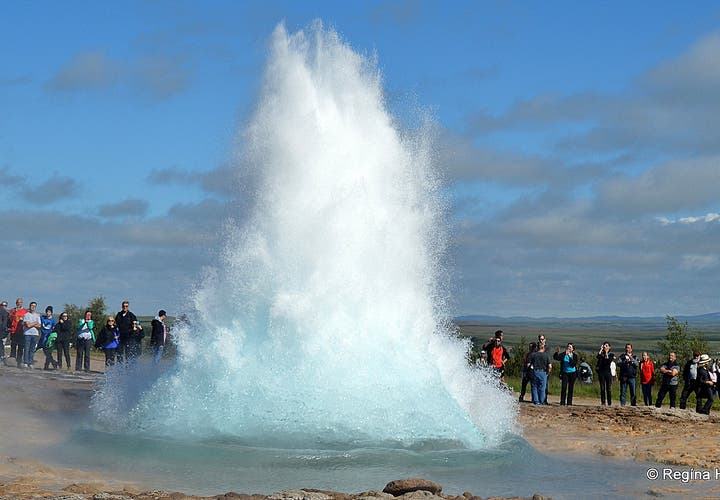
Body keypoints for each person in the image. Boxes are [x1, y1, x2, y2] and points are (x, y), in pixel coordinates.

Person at [22, 301, 42, 369]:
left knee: (32, 349)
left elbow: (39, 325)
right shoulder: (26, 315)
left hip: (35, 334)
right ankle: (25, 362)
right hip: (27, 334)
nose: (33, 307)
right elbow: (28, 325)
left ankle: (30, 362)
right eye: (32, 306)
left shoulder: (37, 315)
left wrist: (32, 324)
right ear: (30, 306)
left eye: (34, 306)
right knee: (27, 348)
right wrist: (35, 323)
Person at [8, 298, 27, 364]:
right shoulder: (12, 310)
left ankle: (19, 360)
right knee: (13, 345)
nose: (19, 303)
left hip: (21, 331)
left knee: (20, 346)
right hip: (13, 330)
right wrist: (14, 313)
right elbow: (9, 319)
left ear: (22, 303)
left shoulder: (25, 311)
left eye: (20, 302)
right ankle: (12, 359)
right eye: (18, 302)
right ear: (16, 303)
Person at [596, 342, 615, 406]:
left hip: (608, 373)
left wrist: (606, 353)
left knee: (608, 388)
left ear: (609, 347)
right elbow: (598, 357)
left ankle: (609, 403)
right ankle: (603, 402)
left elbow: (608, 361)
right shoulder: (601, 354)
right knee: (602, 388)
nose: (605, 347)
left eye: (606, 346)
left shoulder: (611, 354)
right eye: (604, 346)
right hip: (601, 373)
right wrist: (601, 350)